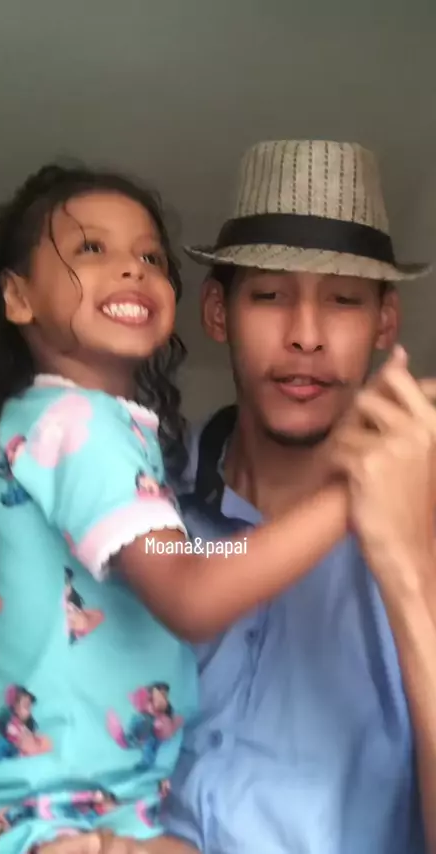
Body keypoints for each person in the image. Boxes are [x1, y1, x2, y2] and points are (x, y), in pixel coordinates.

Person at [0, 159, 368, 854]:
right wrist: (354, 491)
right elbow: (193, 594)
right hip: (43, 814)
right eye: (92, 248)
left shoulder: (84, 428)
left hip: (101, 809)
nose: (131, 268)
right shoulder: (78, 427)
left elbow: (190, 561)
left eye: (150, 257)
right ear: (18, 297)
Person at [156, 140, 436, 854]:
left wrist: (409, 573)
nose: (306, 337)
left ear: (385, 322)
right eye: (270, 296)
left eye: (342, 300)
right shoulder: (141, 503)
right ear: (218, 312)